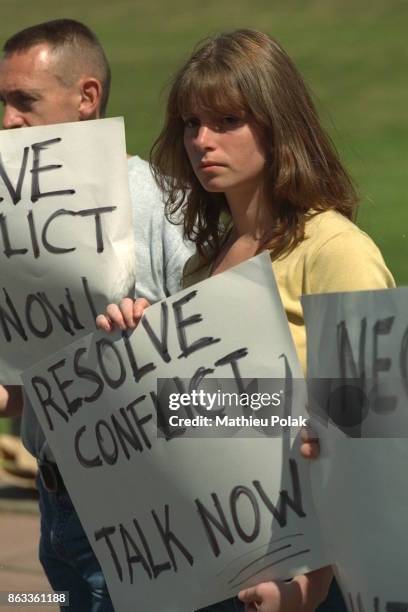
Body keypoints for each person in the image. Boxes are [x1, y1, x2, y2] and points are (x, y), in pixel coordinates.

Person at [99, 29, 395, 611]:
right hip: (219, 561)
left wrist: (316, 581)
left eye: (227, 120)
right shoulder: (205, 265)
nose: (202, 141)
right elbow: (218, 413)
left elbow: (379, 431)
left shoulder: (334, 248)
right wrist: (141, 347)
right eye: (190, 123)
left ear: (277, 124)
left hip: (312, 575)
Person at [0, 18, 192, 612]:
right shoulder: (12, 214)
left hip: (140, 506)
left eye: (24, 100)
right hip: (56, 504)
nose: (8, 120)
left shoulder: (160, 202)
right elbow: (25, 372)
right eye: (2, 102)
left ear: (86, 98)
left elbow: (216, 358)